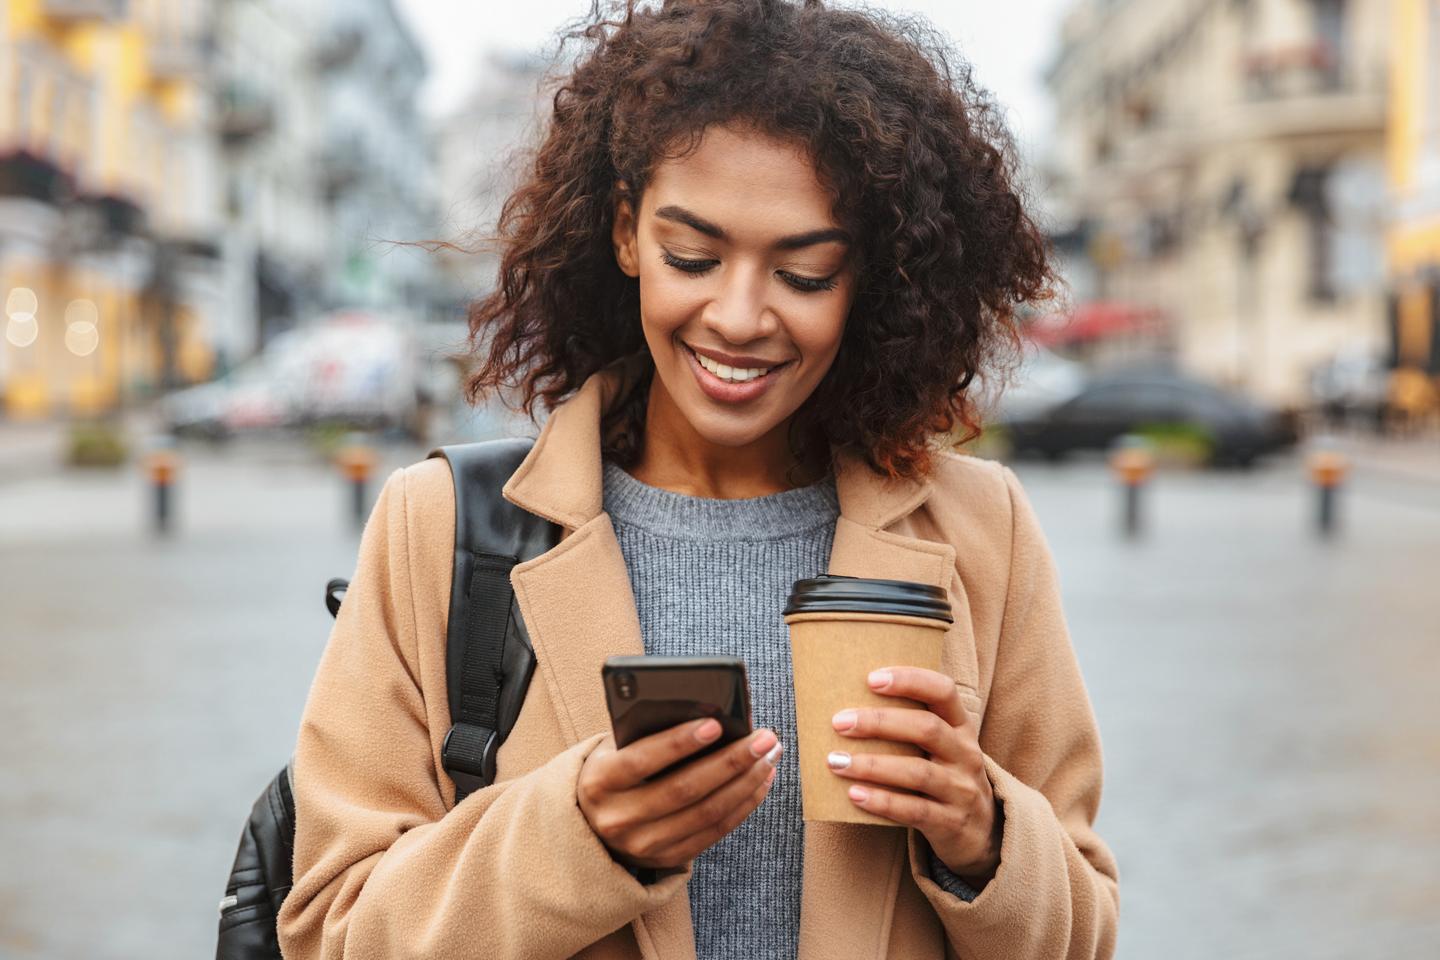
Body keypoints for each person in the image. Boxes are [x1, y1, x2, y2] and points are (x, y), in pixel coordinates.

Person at [276, 1, 1119, 958]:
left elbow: (1082, 935)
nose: (740, 315)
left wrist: (985, 835)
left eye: (804, 275)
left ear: (868, 282)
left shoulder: (982, 530)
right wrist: (579, 835)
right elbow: (331, 934)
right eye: (694, 256)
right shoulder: (442, 528)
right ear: (627, 235)